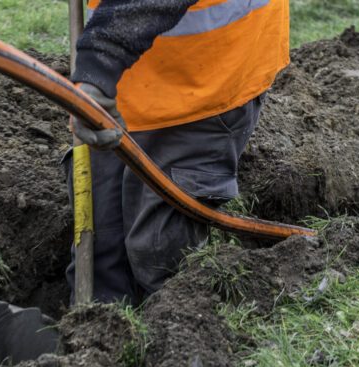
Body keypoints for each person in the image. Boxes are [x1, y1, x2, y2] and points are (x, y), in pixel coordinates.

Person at [66, 0, 290, 304]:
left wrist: (100, 60)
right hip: (120, 83)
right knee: (99, 256)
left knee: (159, 253)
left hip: (205, 81)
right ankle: (97, 338)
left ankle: (175, 336)